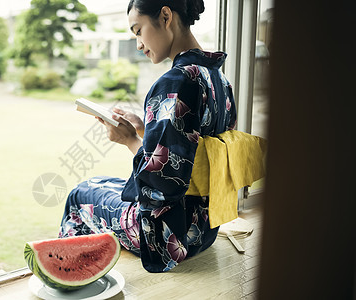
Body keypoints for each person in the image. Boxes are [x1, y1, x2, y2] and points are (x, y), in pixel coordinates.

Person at [58, 0, 237, 273]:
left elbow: (162, 182)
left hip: (166, 238)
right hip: (204, 229)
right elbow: (194, 151)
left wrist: (129, 139)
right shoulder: (219, 80)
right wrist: (144, 129)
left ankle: (72, 277)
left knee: (79, 195)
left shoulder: (174, 82)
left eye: (138, 30)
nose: (139, 44)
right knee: (98, 182)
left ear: (165, 16)